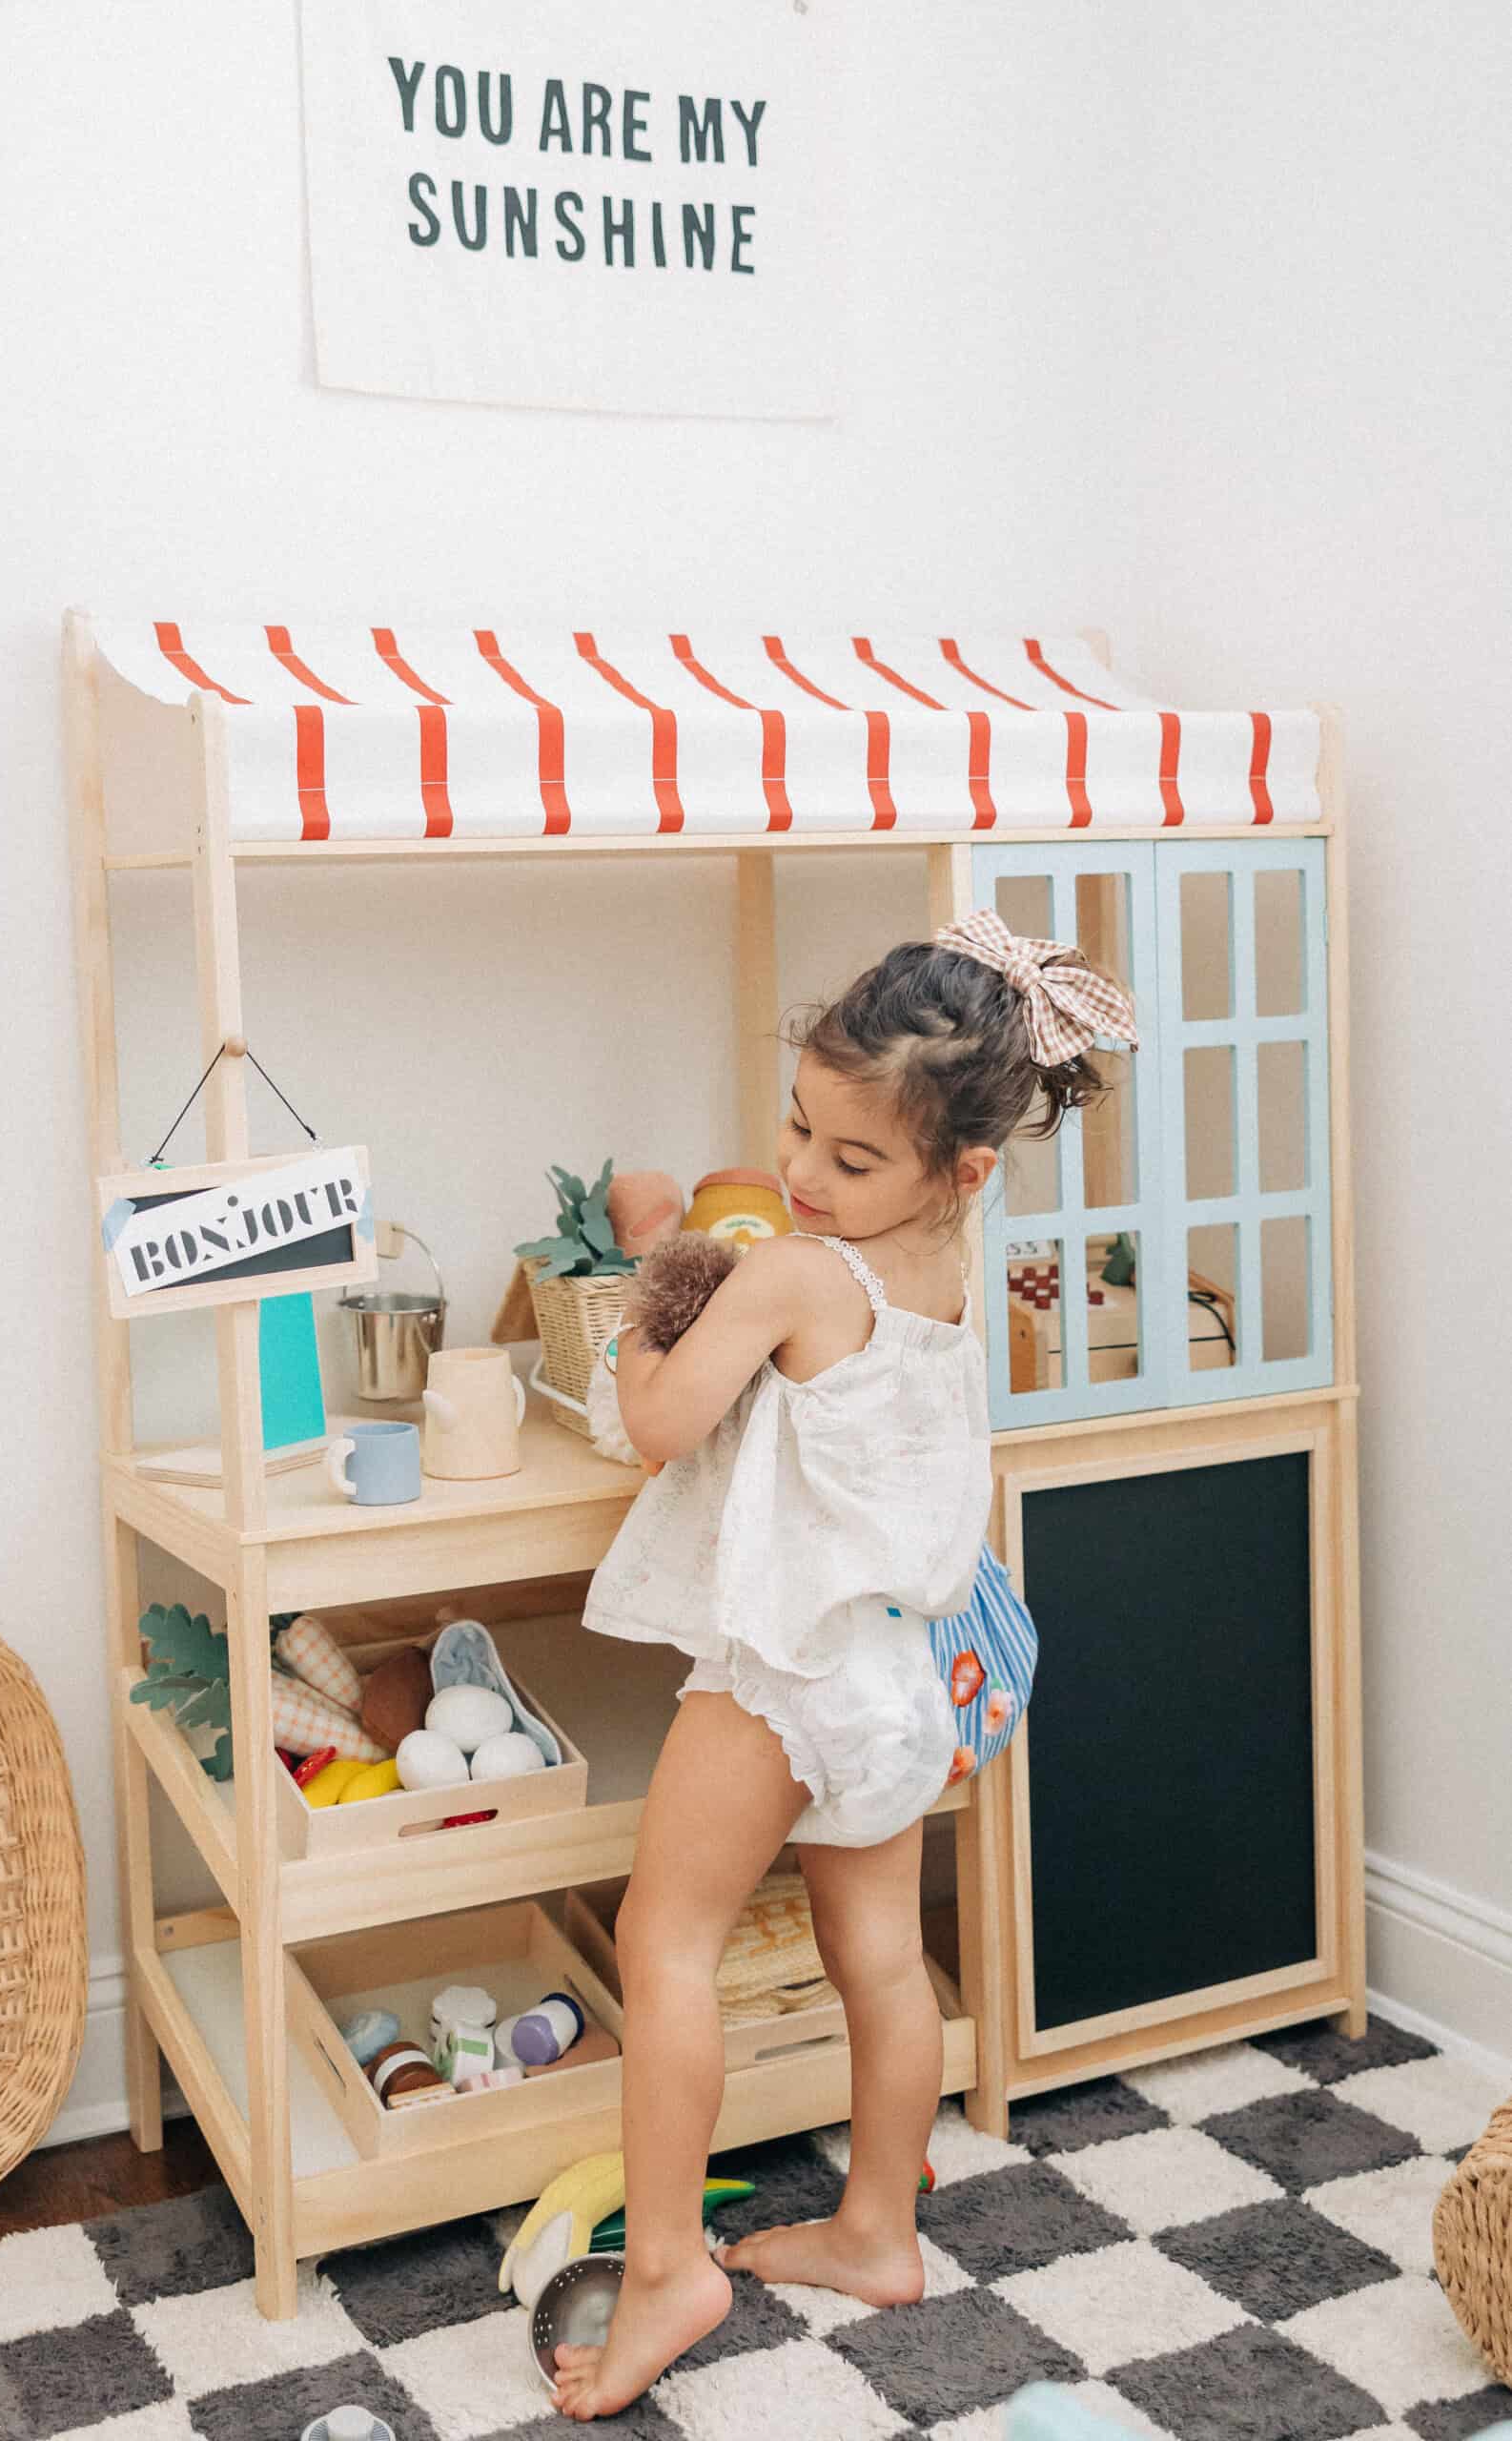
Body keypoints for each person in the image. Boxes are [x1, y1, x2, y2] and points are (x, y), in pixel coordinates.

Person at [552, 912, 1137, 2422]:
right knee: (877, 1953)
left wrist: (649, 1276)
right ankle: (879, 2230)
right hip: (902, 1676)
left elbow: (657, 1424)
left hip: (788, 1671)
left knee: (662, 1941)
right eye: (797, 1126)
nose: (805, 1173)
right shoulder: (947, 1258)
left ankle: (666, 2270)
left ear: (961, 1169)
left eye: (850, 1157)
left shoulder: (796, 1276)